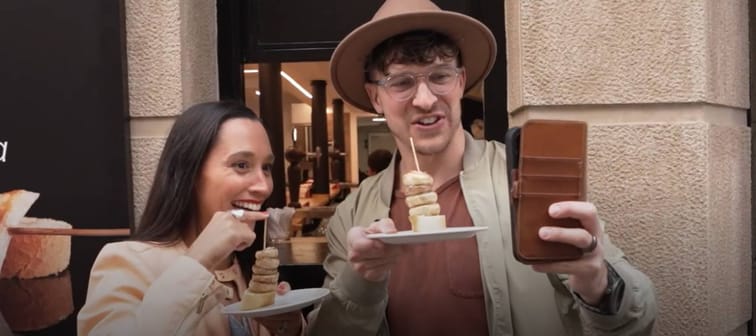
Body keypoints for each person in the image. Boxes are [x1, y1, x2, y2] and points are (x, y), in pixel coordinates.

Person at [306, 0, 657, 335]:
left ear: (460, 82)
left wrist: (599, 283)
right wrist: (361, 280)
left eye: (440, 76)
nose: (425, 99)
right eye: (401, 82)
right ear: (375, 97)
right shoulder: (353, 213)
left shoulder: (523, 181)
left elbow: (637, 320)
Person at [78, 101, 304, 336]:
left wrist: (289, 327)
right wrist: (198, 260)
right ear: (190, 173)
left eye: (266, 167)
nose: (263, 186)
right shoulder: (128, 262)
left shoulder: (247, 269)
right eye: (241, 165)